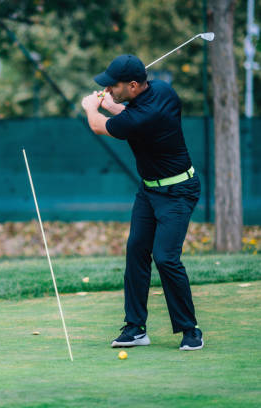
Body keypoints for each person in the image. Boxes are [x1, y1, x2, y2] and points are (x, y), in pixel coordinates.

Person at [80, 55, 203, 351]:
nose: (108, 88)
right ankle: (135, 328)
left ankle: (190, 329)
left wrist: (91, 107)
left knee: (165, 257)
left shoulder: (142, 116)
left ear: (133, 85)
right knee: (136, 250)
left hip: (178, 191)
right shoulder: (162, 90)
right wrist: (112, 104)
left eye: (113, 85)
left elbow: (100, 126)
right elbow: (128, 113)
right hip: (149, 191)